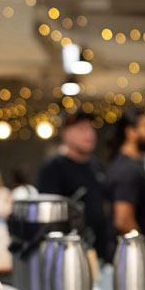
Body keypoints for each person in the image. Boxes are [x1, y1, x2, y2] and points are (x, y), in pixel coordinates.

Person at [38, 109, 113, 262]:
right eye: (82, 129)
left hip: (100, 253)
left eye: (91, 128)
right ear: (66, 134)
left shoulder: (95, 164)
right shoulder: (54, 167)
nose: (90, 134)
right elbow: (48, 220)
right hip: (68, 255)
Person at [106, 107, 145, 262]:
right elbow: (123, 220)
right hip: (131, 262)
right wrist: (142, 255)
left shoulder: (131, 165)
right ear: (130, 132)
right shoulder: (128, 169)